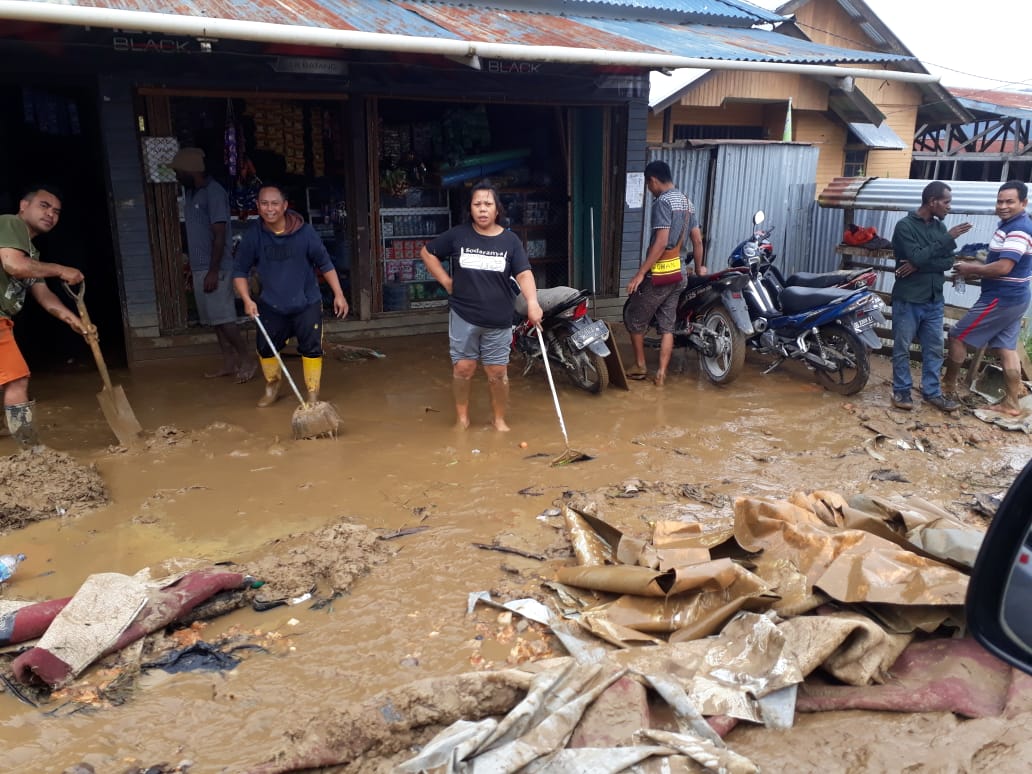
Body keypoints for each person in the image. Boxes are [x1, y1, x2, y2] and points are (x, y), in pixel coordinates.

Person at [419, 181, 542, 431]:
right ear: (470, 208)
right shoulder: (458, 235)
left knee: (497, 372)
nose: (482, 209)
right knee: (463, 368)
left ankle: (498, 420)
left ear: (497, 210)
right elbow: (427, 252)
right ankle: (462, 419)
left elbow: (525, 274)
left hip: (498, 318)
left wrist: (533, 303)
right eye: (477, 204)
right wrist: (446, 281)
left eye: (488, 204)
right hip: (464, 315)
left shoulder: (510, 241)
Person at [232, 184, 348, 408]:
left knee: (312, 347)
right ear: (257, 206)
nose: (269, 209)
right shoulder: (254, 235)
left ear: (285, 206)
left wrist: (339, 294)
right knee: (266, 348)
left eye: (274, 203)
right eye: (264, 204)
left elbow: (324, 263)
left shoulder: (305, 233)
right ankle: (272, 386)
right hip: (271, 303)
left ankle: (313, 394)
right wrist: (247, 299)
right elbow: (239, 270)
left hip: (306, 302)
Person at [0, 185, 85, 447]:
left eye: (57, 211)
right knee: (16, 380)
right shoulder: (10, 223)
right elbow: (14, 266)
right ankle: (32, 454)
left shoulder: (32, 254)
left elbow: (44, 295)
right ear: (24, 207)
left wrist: (75, 321)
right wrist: (60, 269)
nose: (51, 214)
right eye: (44, 206)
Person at [944, 180, 1032, 417]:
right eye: (1000, 201)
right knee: (1006, 348)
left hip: (1001, 297)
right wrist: (979, 263)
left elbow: (1004, 267)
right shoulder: (1012, 224)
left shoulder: (1018, 229)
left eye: (1010, 201)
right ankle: (1012, 403)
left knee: (957, 336)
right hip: (1016, 297)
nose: (1003, 206)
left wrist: (970, 269)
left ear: (1023, 203)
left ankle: (947, 387)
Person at [170, 147, 256, 383]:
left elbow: (219, 234)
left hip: (215, 268)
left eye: (179, 172)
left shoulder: (214, 192)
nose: (177, 176)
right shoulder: (191, 193)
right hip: (200, 267)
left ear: (190, 170)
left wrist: (213, 270)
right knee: (214, 320)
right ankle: (229, 362)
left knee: (225, 318)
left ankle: (247, 360)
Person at [889, 181, 972, 412]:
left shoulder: (937, 228)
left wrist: (916, 265)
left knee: (934, 348)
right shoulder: (905, 226)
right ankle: (902, 392)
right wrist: (945, 240)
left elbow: (947, 261)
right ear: (932, 201)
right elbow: (917, 255)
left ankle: (932, 393)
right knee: (902, 347)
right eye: (946, 202)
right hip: (909, 299)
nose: (949, 207)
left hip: (934, 300)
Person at [623, 160, 705, 386]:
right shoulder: (687, 202)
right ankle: (661, 374)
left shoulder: (663, 202)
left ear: (653, 180)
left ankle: (639, 366)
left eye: (649, 186)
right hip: (680, 275)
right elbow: (697, 240)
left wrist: (640, 274)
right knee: (667, 325)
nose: (650, 191)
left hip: (661, 275)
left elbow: (660, 243)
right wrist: (699, 269)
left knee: (633, 317)